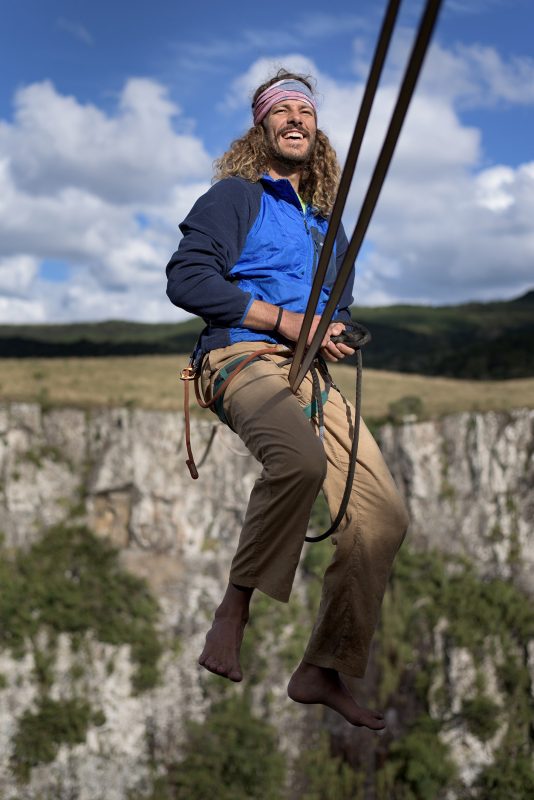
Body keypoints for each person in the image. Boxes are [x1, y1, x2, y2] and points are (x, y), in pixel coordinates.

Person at [166, 69, 409, 731]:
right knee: (298, 462)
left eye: (305, 109)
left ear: (316, 129)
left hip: (309, 374)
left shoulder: (328, 227)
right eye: (282, 110)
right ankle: (233, 609)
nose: (296, 118)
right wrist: (283, 321)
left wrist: (330, 331)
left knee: (383, 515)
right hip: (239, 354)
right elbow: (187, 278)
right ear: (262, 128)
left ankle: (323, 666)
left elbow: (340, 302)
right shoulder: (236, 198)